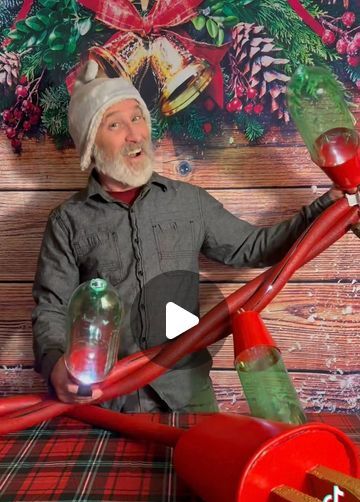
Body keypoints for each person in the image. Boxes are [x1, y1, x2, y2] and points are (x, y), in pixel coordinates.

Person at [32, 60, 341, 413]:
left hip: (189, 398)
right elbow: (52, 309)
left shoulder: (188, 201)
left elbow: (255, 247)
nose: (134, 134)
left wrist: (325, 207)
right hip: (109, 403)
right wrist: (56, 363)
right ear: (90, 144)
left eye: (137, 118)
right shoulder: (67, 222)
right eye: (114, 124)